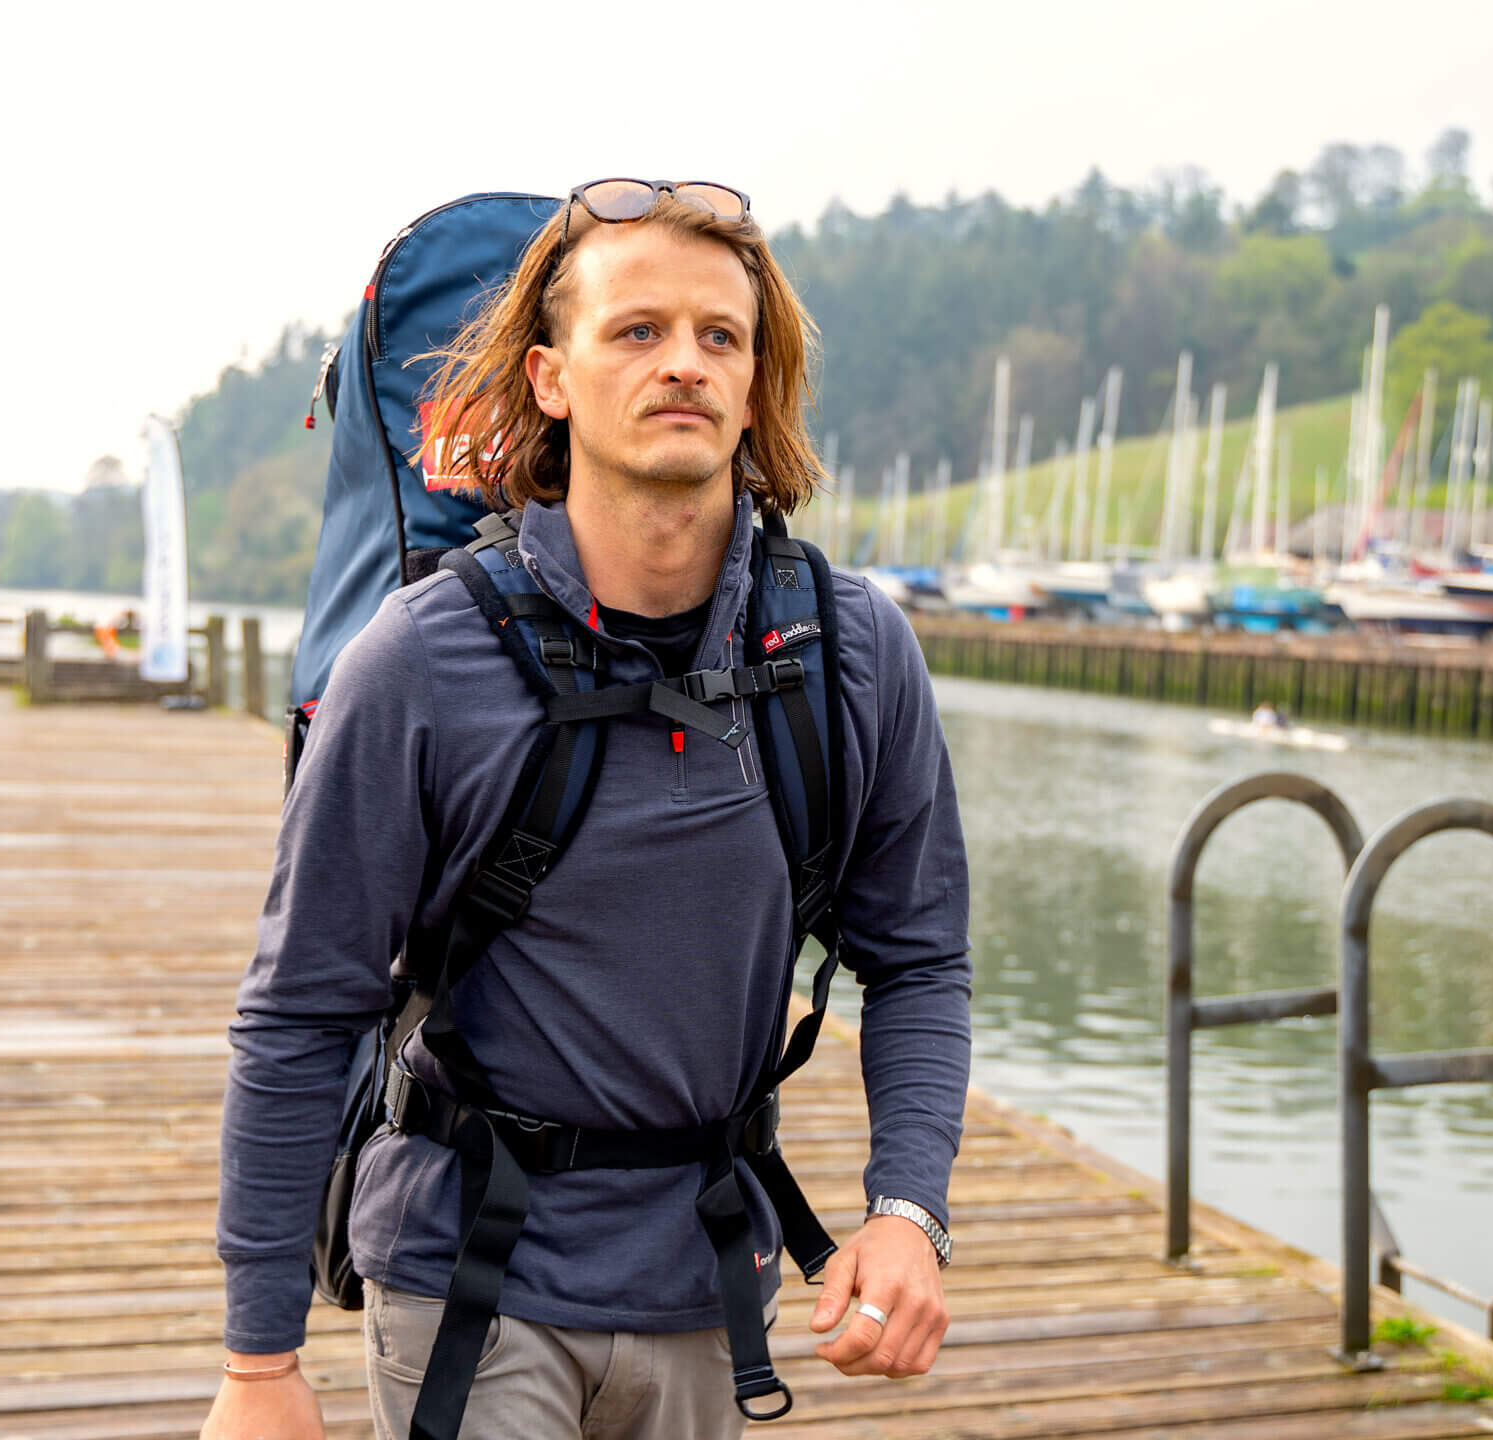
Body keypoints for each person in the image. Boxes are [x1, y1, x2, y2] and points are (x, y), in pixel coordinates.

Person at [203, 180, 973, 1440]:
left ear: (757, 379)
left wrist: (907, 1208)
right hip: (469, 1275)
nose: (685, 363)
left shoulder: (846, 649)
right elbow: (299, 1009)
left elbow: (920, 959)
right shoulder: (420, 659)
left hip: (710, 1279)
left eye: (721, 336)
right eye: (638, 331)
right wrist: (258, 1363)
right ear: (551, 378)